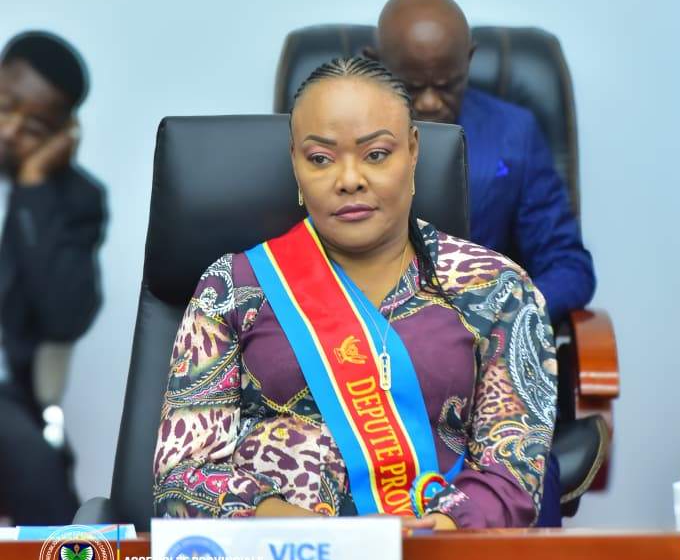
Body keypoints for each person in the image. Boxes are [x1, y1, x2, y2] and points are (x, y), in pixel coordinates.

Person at [153, 57, 557, 527]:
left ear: (413, 150)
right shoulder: (234, 287)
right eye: (320, 159)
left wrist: (441, 530)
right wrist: (302, 528)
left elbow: (513, 469)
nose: (349, 180)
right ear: (295, 163)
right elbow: (182, 477)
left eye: (376, 154)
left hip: (437, 556)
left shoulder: (495, 287)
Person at [366, 0, 596, 526]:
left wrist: (504, 314)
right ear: (377, 66)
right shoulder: (340, 143)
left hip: (483, 372)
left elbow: (569, 265)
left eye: (446, 84)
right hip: (368, 365)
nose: (428, 103)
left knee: (523, 476)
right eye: (410, 86)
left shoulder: (514, 134)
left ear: (469, 62)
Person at [0, 31, 106, 524]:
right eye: (5, 106)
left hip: (8, 403)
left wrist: (33, 185)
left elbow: (66, 315)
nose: (10, 131)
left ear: (61, 132)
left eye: (36, 127)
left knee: (37, 476)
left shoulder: (73, 200)